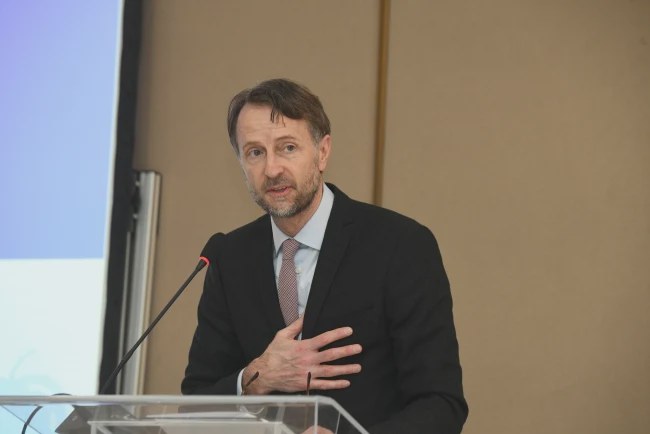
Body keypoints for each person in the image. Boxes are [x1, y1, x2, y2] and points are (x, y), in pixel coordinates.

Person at [182, 78, 468, 433]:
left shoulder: (401, 245)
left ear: (323, 152)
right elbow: (196, 404)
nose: (272, 169)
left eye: (287, 147)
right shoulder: (229, 257)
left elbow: (441, 405)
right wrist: (257, 377)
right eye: (255, 152)